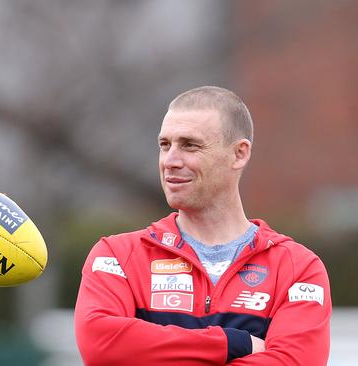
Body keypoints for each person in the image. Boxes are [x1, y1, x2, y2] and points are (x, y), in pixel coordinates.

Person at [74, 86, 331, 365]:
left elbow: (292, 362)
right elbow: (101, 344)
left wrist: (149, 351)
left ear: (239, 154)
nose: (170, 161)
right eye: (164, 145)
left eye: (189, 145)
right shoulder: (117, 255)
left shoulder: (297, 268)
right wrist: (232, 343)